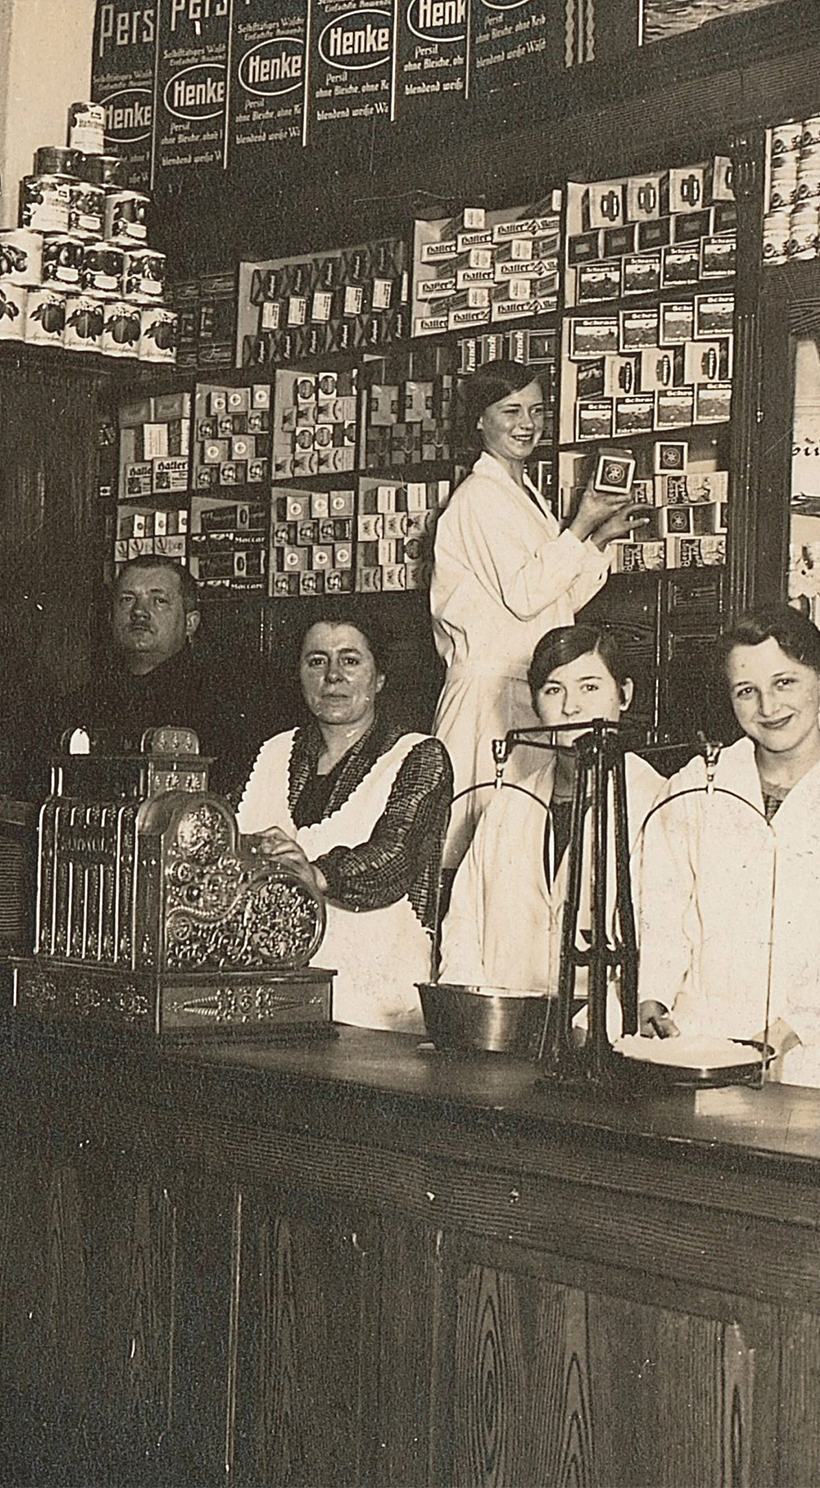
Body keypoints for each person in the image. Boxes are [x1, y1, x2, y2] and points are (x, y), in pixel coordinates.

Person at [637, 605, 820, 1100]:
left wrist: (786, 1030)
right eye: (746, 691)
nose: (768, 707)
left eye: (785, 682)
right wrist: (652, 996)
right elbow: (661, 911)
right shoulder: (694, 784)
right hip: (707, 1056)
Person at [430, 363, 644, 866]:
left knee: (521, 849)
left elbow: (558, 600)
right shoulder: (478, 497)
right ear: (480, 421)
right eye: (511, 411)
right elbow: (526, 594)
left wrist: (598, 540)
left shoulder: (523, 495)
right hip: (487, 700)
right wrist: (580, 525)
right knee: (472, 852)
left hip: (533, 694)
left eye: (536, 410)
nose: (526, 423)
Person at [237, 614, 452, 1033]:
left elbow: (393, 859)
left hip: (375, 1012)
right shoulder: (274, 752)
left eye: (350, 661)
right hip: (277, 997)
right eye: (316, 661)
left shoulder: (420, 756)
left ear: (379, 678)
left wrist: (313, 873)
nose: (332, 676)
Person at [439, 626, 667, 998]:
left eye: (590, 687)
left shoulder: (656, 802)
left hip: (599, 1032)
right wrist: (475, 1011)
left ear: (624, 695)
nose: (570, 707)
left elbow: (662, 948)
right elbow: (464, 922)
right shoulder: (508, 804)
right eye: (553, 690)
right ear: (534, 703)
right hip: (505, 1028)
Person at [40, 555, 276, 793]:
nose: (139, 612)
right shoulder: (78, 706)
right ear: (110, 617)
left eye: (159, 601)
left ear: (190, 623)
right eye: (127, 599)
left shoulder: (225, 705)